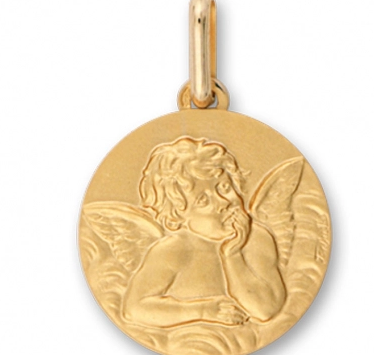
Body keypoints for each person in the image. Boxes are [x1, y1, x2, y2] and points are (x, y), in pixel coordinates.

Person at [120, 136, 286, 328]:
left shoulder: (256, 237)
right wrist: (203, 311)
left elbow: (266, 310)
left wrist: (233, 255)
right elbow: (134, 309)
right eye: (203, 201)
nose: (223, 201)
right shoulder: (173, 250)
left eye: (224, 187)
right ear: (177, 215)